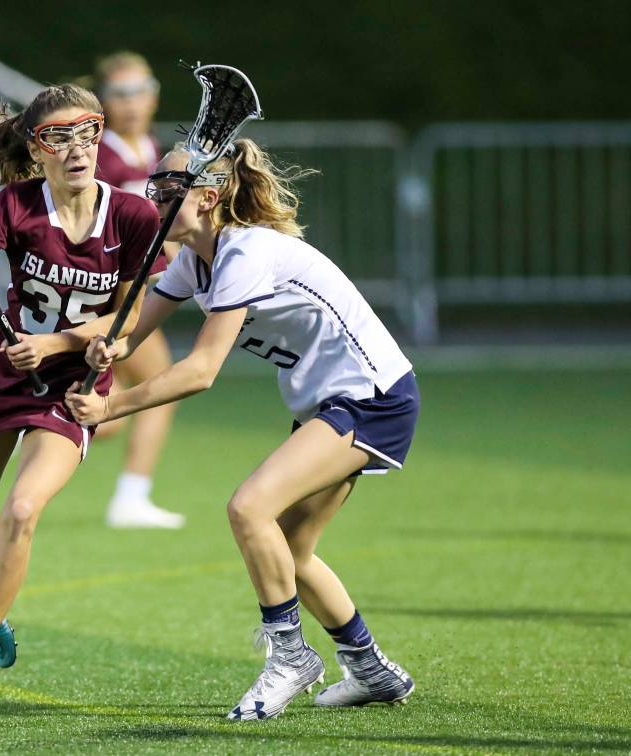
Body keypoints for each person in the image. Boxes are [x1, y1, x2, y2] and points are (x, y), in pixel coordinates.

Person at [66, 139, 418, 719]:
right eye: (153, 187)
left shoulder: (243, 254)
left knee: (249, 508)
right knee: (292, 550)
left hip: (371, 398)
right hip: (326, 404)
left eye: (169, 190)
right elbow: (134, 328)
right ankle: (370, 667)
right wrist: (109, 345)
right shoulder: (193, 259)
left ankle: (290, 658)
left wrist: (110, 407)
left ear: (208, 198)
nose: (154, 199)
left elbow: (201, 371)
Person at [0, 84, 159, 724]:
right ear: (38, 148)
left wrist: (56, 343)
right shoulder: (15, 204)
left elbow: (130, 315)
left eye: (89, 131)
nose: (80, 147)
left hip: (71, 389)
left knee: (24, 509)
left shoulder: (135, 217)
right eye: (60, 136)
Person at [90, 51, 183, 529]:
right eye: (119, 94)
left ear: (154, 93)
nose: (131, 102)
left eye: (139, 89)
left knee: (111, 415)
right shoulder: (99, 156)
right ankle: (130, 497)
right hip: (111, 294)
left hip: (134, 290)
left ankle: (35, 421)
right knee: (158, 386)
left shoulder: (149, 147)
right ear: (103, 102)